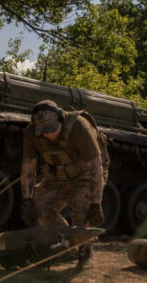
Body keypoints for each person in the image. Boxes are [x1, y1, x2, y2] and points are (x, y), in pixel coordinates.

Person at [19, 100, 107, 262]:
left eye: (52, 129)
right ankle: (66, 246)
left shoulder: (79, 127)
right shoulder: (32, 133)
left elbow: (96, 166)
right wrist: (26, 201)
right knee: (39, 207)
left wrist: (96, 204)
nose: (48, 134)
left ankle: (84, 251)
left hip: (85, 175)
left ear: (61, 119)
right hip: (57, 176)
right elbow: (28, 167)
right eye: (44, 131)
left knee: (81, 207)